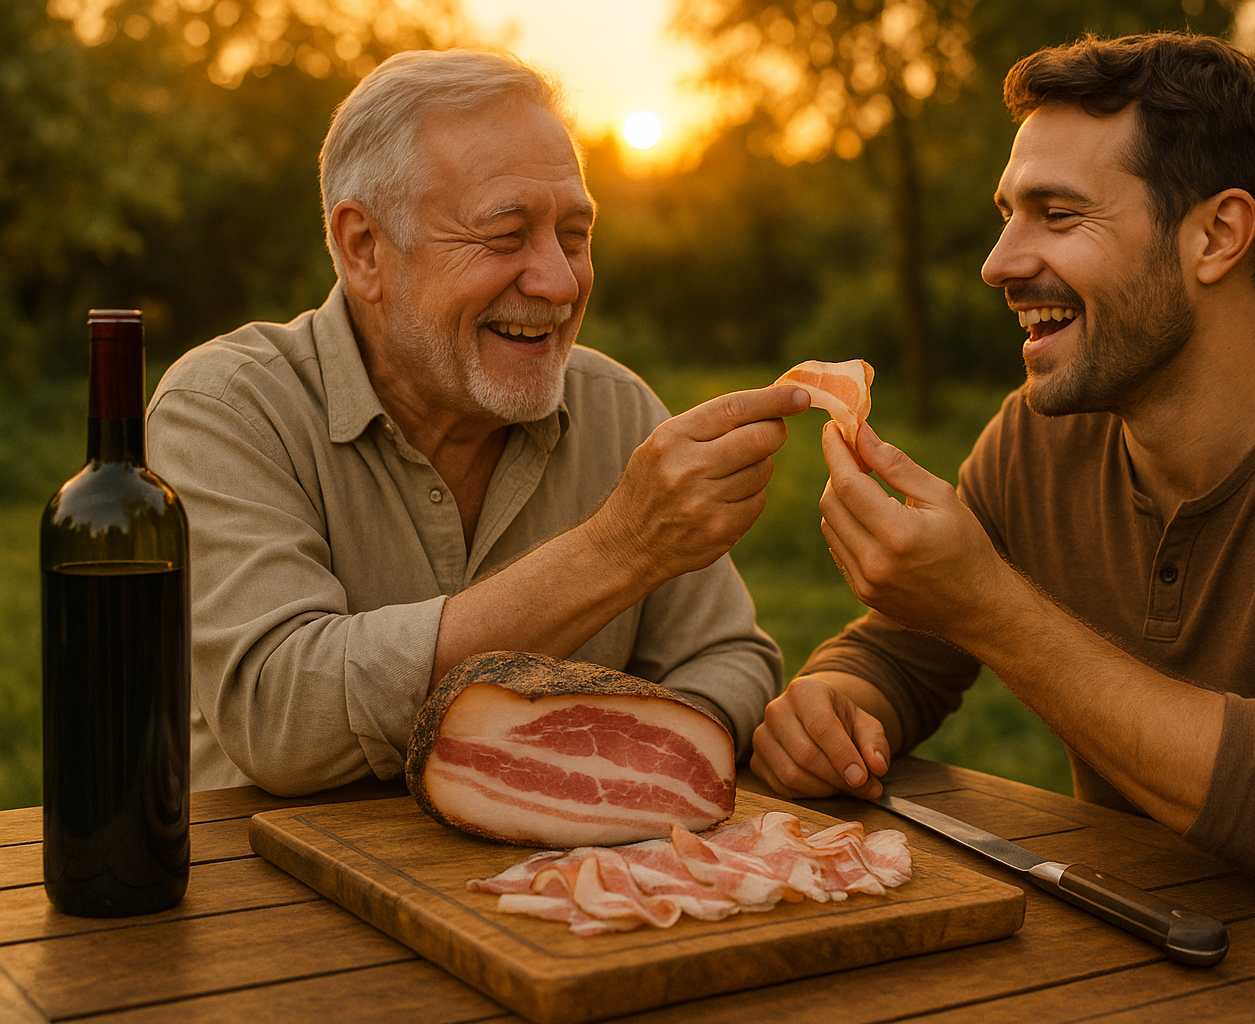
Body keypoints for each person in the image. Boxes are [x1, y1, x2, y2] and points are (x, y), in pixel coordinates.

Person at [753, 32, 1255, 934]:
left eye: (1056, 214)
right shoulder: (1041, 438)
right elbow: (901, 650)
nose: (1000, 262)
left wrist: (992, 609)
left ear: (1217, 235)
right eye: (1006, 213)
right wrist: (836, 708)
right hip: (1173, 945)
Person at [146, 49, 806, 796]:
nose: (558, 281)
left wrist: (617, 771)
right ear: (363, 248)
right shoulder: (226, 410)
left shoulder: (618, 408)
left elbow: (730, 658)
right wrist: (618, 549)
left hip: (563, 895)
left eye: (576, 235)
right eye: (505, 235)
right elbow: (280, 714)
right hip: (281, 900)